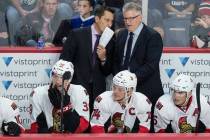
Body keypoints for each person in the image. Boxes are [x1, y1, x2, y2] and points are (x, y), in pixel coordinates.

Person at [60, 6, 115, 113]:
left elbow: (107, 71)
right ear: (97, 19)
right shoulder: (77, 34)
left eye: (111, 21)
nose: (110, 24)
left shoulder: (110, 41)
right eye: (107, 20)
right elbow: (64, 61)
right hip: (76, 89)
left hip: (98, 92)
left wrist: (103, 58)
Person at [30, 60, 89, 133]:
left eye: (62, 77)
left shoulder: (80, 91)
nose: (58, 81)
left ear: (69, 78)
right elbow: (35, 127)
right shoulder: (38, 93)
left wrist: (65, 108)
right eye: (55, 76)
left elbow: (83, 124)